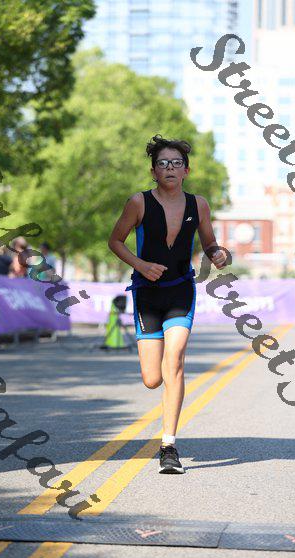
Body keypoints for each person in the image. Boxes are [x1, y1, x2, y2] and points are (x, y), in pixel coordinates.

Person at [108, 134, 226, 474]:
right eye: (163, 163)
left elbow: (210, 243)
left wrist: (218, 254)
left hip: (180, 291)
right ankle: (162, 386)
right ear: (153, 171)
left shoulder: (198, 205)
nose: (170, 168)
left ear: (186, 170)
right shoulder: (138, 202)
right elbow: (115, 241)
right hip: (146, 293)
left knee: (174, 360)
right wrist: (141, 265)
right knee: (151, 378)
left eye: (176, 163)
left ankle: (168, 445)